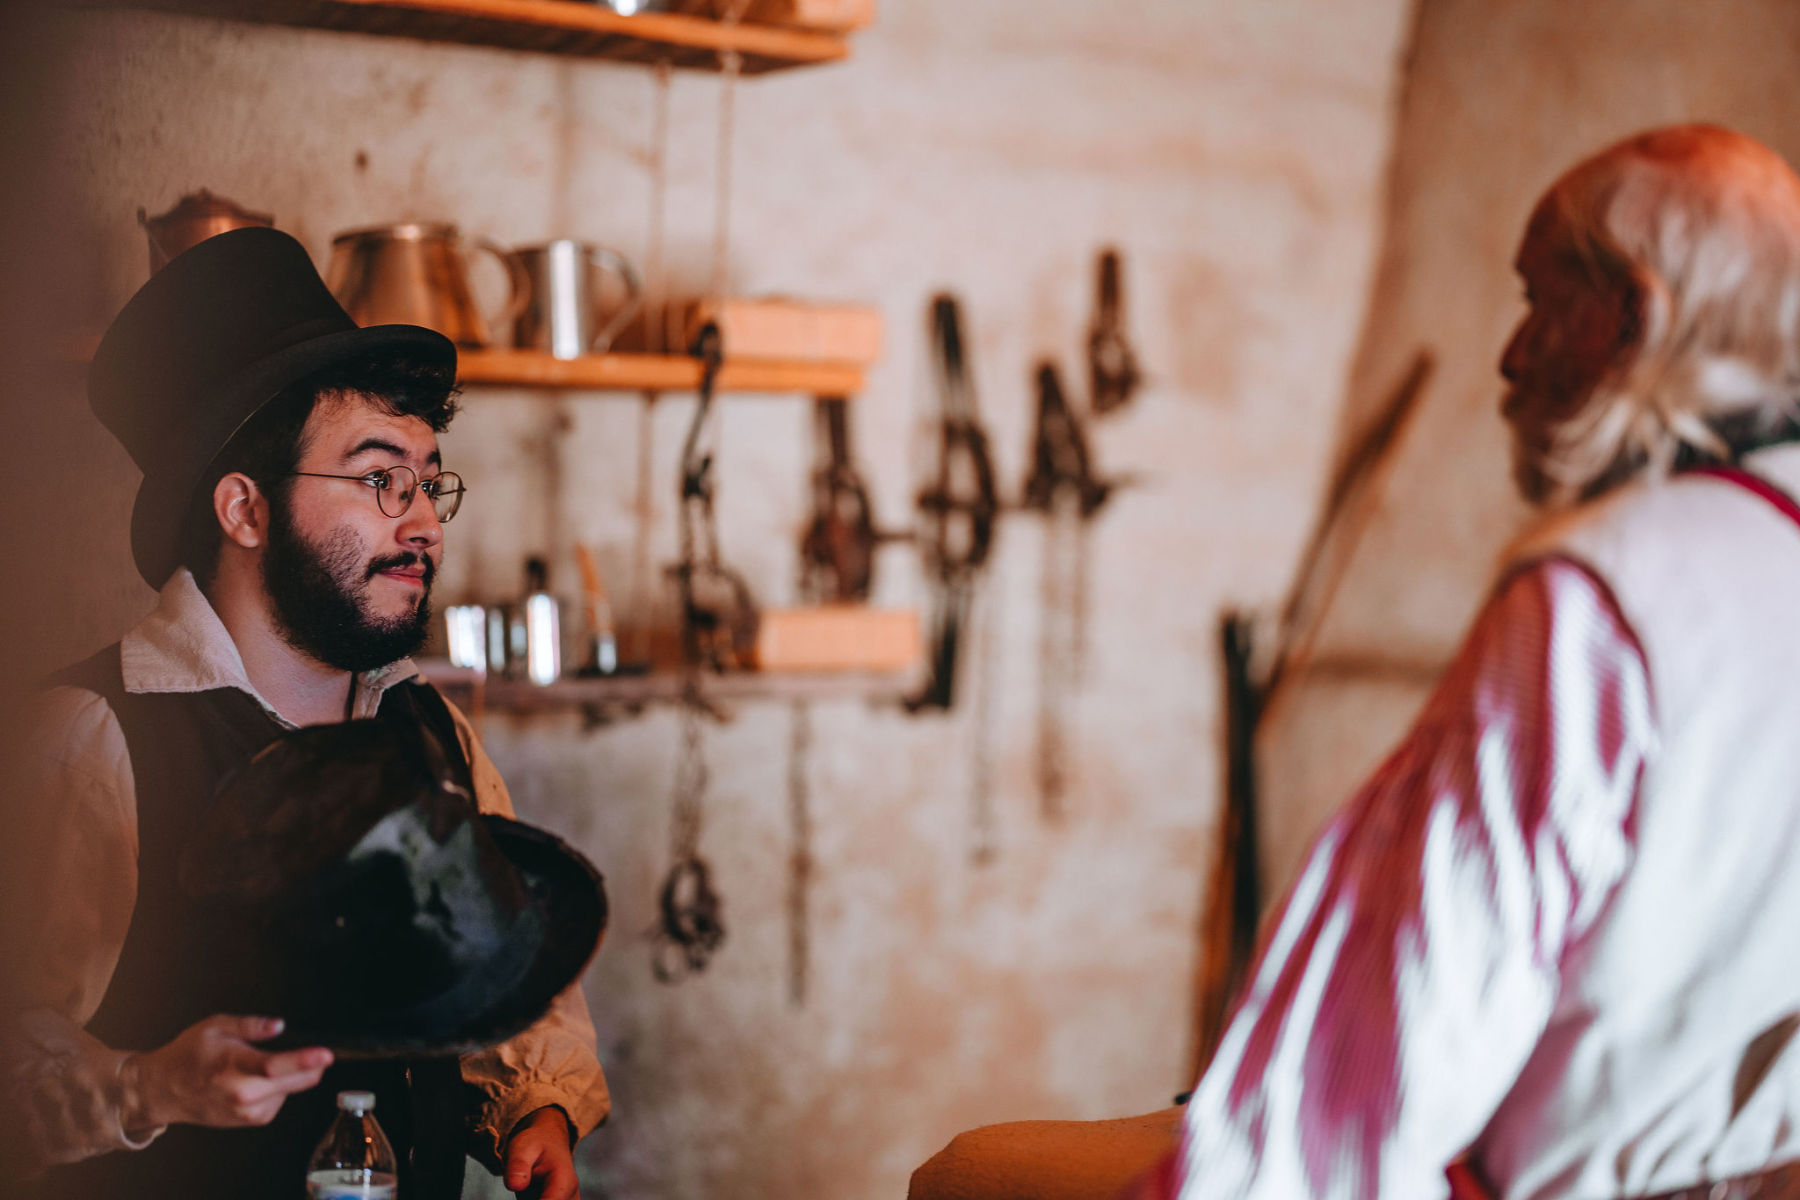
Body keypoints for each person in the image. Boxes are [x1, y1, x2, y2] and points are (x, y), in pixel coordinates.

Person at [1137, 123, 1800, 1200]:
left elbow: (1360, 1087)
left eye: (1538, 300)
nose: (1512, 355)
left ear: (1633, 316)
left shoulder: (1605, 599)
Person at [2, 227, 608, 1199]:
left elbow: (496, 956)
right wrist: (145, 1087)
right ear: (244, 510)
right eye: (378, 479)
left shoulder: (426, 727)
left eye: (427, 483)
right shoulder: (89, 739)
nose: (423, 522)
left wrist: (536, 1104)